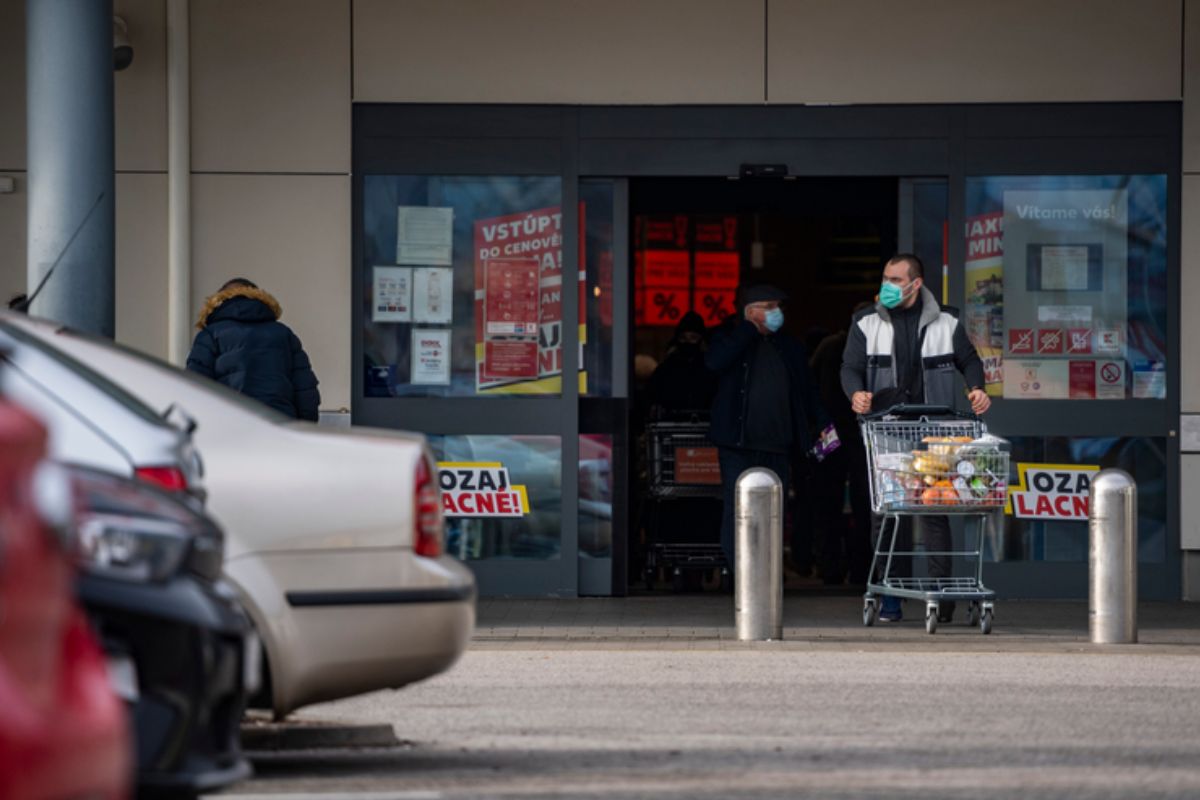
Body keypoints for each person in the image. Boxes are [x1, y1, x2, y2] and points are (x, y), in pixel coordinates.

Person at [840, 253, 990, 622]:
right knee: (889, 513)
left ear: (915, 283)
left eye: (895, 279)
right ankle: (890, 597)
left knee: (934, 511)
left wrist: (976, 388)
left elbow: (969, 360)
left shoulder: (947, 320)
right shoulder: (866, 321)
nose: (887, 286)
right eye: (885, 278)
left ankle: (941, 599)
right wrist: (856, 393)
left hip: (935, 430)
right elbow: (850, 367)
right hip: (887, 427)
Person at [705, 284, 829, 572]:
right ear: (751, 311)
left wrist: (822, 423)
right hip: (738, 446)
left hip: (778, 446)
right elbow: (714, 364)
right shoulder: (728, 339)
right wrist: (748, 330)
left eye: (779, 307)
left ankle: (768, 575)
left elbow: (808, 390)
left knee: (774, 515)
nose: (777, 313)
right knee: (738, 513)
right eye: (770, 307)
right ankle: (740, 577)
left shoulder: (789, 346)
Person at [187, 277, 320, 421]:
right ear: (260, 298)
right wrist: (306, 425)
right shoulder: (283, 333)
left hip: (231, 424)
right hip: (279, 422)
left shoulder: (210, 334)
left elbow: (196, 385)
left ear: (218, 301)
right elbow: (305, 387)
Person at [810, 301, 875, 586]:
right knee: (864, 502)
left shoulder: (829, 346)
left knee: (827, 499)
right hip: (858, 434)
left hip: (829, 432)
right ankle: (861, 567)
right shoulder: (870, 348)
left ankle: (829, 565)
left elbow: (810, 386)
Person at [647, 311, 718, 415]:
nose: (687, 342)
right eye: (683, 338)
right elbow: (652, 397)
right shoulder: (665, 370)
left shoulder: (711, 369)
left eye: (693, 338)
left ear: (701, 340)